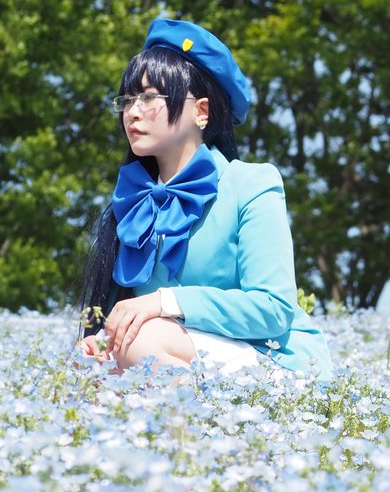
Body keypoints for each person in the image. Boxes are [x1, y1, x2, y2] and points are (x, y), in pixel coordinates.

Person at [80, 18, 331, 377]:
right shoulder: (132, 200)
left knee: (142, 343)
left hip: (273, 361)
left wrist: (167, 302)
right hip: (178, 353)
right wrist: (102, 342)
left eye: (149, 97)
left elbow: (273, 309)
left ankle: (200, 418)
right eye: (128, 99)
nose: (132, 112)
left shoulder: (251, 183)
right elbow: (131, 318)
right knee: (88, 367)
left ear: (201, 111)